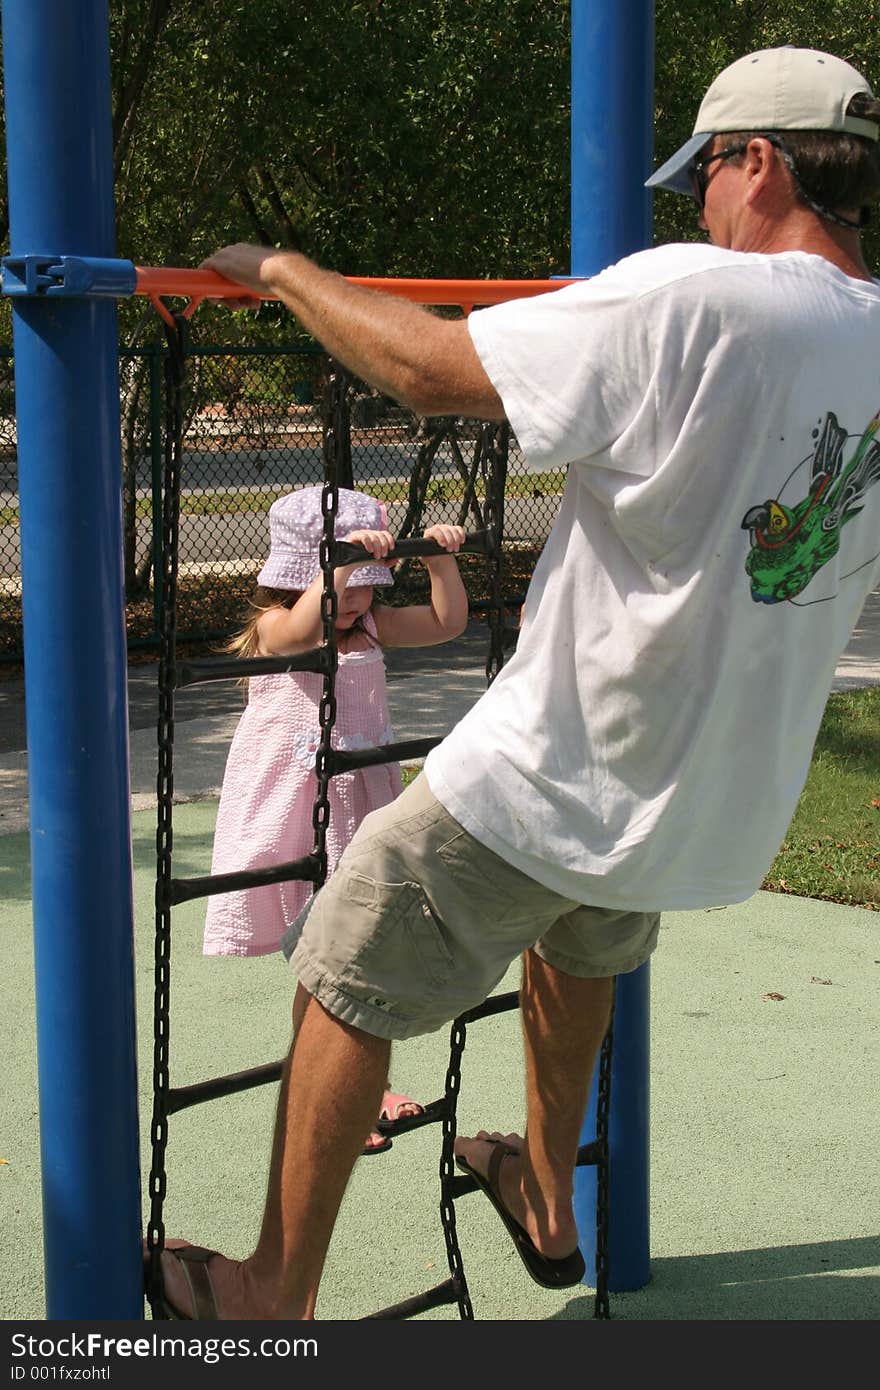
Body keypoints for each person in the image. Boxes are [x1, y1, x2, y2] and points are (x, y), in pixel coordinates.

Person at [156, 46, 880, 1318]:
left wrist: (281, 273)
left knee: (344, 948)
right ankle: (546, 1192)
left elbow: (433, 371)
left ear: (758, 161)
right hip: (706, 805)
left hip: (568, 763)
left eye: (704, 174)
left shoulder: (694, 294)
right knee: (584, 929)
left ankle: (271, 1290)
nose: (697, 205)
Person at [202, 484, 468, 1153]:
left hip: (359, 801)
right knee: (329, 960)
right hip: (297, 810)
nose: (358, 599)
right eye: (348, 586)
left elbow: (447, 624)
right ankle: (332, 1091)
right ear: (299, 578)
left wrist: (440, 562)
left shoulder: (371, 624)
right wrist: (342, 569)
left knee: (354, 955)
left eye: (369, 586)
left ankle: (351, 1087)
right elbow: (303, 626)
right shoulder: (276, 630)